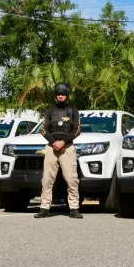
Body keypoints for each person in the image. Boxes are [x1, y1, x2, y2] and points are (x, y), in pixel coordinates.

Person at [35, 82, 82, 219]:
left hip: (67, 147)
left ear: (67, 95)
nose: (60, 96)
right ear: (55, 96)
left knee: (72, 179)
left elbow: (77, 130)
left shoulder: (73, 111)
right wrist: (54, 142)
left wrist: (63, 142)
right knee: (47, 179)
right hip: (51, 147)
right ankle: (44, 207)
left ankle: (74, 208)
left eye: (63, 94)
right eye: (58, 94)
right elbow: (44, 130)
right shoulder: (50, 111)